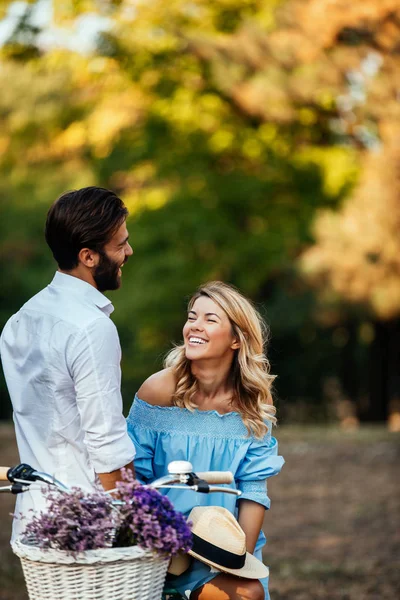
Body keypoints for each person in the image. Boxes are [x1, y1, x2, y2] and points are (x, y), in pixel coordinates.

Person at [127, 281, 284, 600]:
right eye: (191, 316)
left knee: (245, 593)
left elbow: (253, 489)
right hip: (157, 553)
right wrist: (157, 546)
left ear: (237, 339)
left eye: (210, 319)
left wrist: (236, 562)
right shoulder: (158, 392)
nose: (194, 326)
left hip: (218, 550)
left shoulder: (251, 408)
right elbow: (133, 479)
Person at [0, 186, 136, 539]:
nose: (128, 251)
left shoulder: (20, 320)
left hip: (33, 519)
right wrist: (136, 523)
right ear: (89, 257)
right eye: (120, 245)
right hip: (87, 526)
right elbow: (106, 443)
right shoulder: (91, 328)